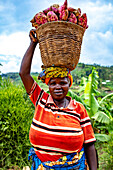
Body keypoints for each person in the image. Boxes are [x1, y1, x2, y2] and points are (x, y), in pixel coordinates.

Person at [19, 29, 97, 170]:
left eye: (62, 82)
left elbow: (89, 144)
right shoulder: (40, 99)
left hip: (74, 167)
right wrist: (33, 43)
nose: (58, 87)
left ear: (69, 84)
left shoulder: (79, 109)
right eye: (53, 83)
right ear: (47, 85)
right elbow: (23, 74)